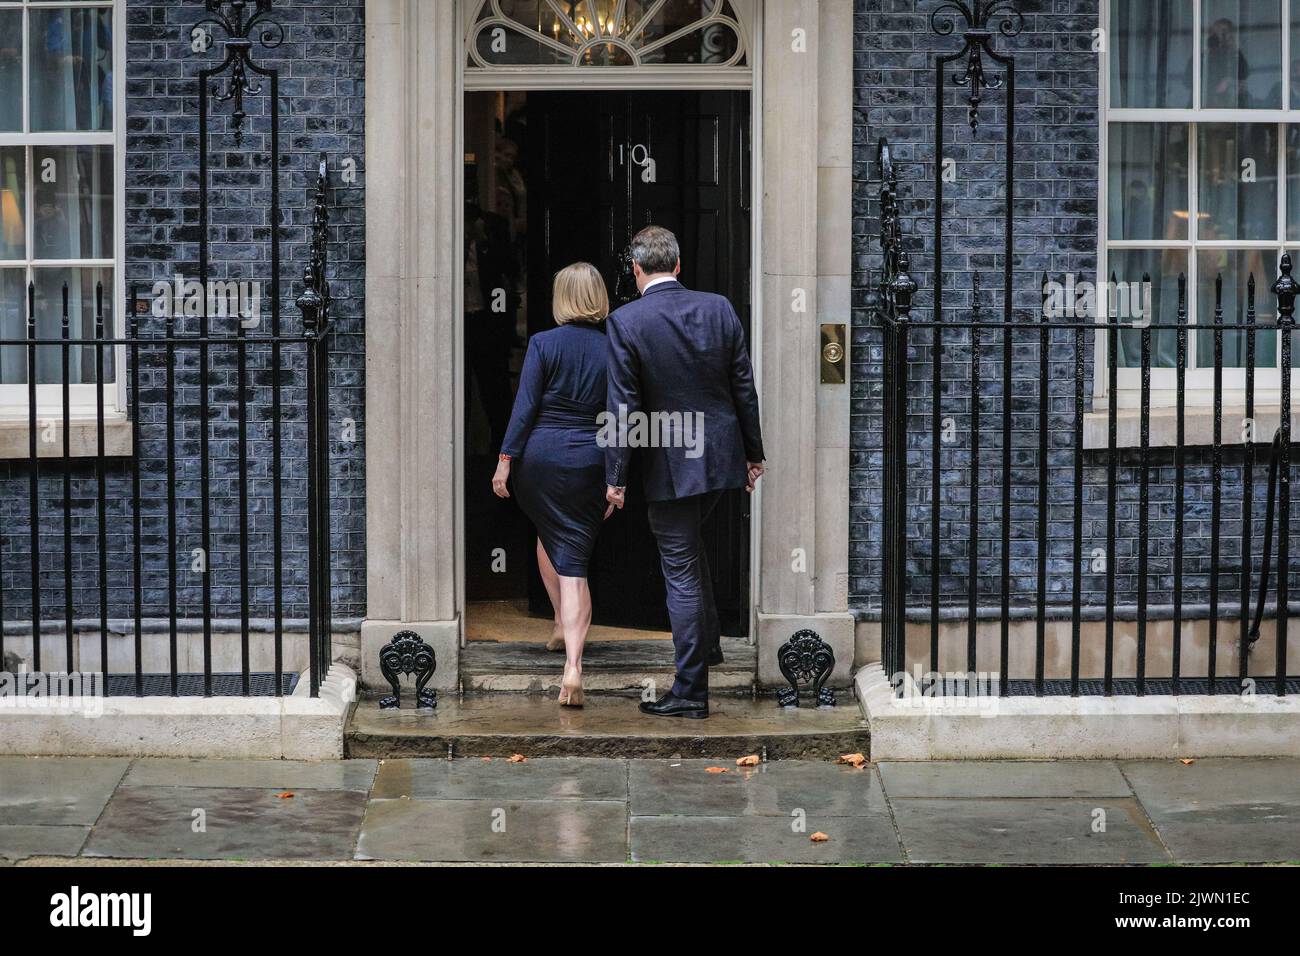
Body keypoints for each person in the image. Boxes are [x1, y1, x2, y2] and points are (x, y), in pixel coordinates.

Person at [604, 226, 764, 719]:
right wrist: (753, 453)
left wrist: (616, 476)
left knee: (680, 571)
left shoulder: (626, 320)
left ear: (635, 271)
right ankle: (709, 646)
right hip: (721, 457)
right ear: (677, 264)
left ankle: (691, 690)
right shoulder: (719, 308)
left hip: (669, 461)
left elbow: (624, 407)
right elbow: (744, 385)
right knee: (690, 551)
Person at [493, 263, 613, 708]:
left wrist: (505, 462)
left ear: (561, 299)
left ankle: (571, 658)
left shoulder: (543, 343)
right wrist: (617, 478)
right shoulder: (613, 348)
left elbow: (523, 409)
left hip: (539, 460)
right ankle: (569, 643)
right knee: (569, 551)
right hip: (590, 458)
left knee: (555, 542)